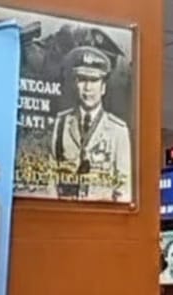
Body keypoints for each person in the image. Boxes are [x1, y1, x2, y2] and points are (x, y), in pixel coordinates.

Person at [51, 45, 132, 202]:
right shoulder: (61, 123)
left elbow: (123, 189)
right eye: (82, 80)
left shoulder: (118, 131)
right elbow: (50, 179)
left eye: (94, 81)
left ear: (103, 87)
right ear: (76, 84)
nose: (88, 88)